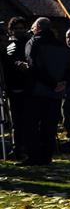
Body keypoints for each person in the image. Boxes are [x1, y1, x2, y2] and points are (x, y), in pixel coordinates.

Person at [24, 17, 70, 166]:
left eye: (33, 27)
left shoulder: (33, 42)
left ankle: (33, 157)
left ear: (38, 27)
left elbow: (34, 66)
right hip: (56, 93)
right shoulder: (62, 46)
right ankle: (46, 157)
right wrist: (64, 83)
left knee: (32, 125)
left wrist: (52, 84)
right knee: (50, 126)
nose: (32, 30)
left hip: (37, 91)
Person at [4, 18, 31, 160]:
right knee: (16, 121)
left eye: (21, 28)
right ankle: (17, 148)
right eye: (16, 28)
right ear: (11, 30)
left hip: (28, 88)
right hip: (13, 88)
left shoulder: (29, 44)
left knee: (27, 120)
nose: (19, 30)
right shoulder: (7, 46)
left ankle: (27, 147)